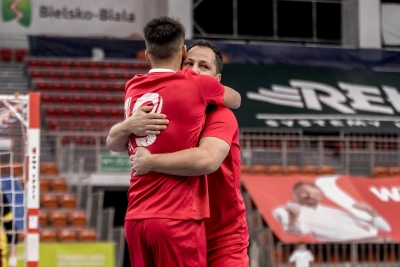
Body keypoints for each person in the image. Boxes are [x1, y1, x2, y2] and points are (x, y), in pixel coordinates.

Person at [106, 17, 241, 267]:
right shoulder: (174, 99)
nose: (194, 70)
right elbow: (113, 141)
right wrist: (127, 125)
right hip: (180, 218)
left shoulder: (222, 115)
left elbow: (207, 159)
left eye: (204, 66)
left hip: (221, 232)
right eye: (189, 63)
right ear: (180, 58)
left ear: (217, 79)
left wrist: (150, 161)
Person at [273, 182, 391, 242]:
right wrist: (293, 217)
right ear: (294, 194)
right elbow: (296, 231)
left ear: (322, 195)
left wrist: (371, 212)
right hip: (345, 246)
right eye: (304, 193)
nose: (310, 196)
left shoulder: (334, 211)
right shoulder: (285, 210)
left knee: (389, 241)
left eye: (315, 194)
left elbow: (384, 228)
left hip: (370, 241)